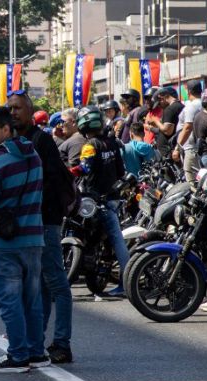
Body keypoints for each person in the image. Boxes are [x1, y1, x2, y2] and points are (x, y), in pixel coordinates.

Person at [0, 106, 47, 373]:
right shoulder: (34, 156)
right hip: (34, 238)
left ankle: (18, 356)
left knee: (10, 302)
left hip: (4, 244)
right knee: (32, 300)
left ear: (7, 129)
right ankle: (37, 351)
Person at [11, 92, 75, 364]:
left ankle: (61, 342)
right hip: (30, 222)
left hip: (45, 220)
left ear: (29, 110)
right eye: (9, 108)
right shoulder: (18, 140)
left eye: (18, 108)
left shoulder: (42, 140)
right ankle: (37, 339)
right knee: (42, 285)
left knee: (56, 283)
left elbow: (48, 183)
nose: (13, 112)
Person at [73, 106, 129, 297]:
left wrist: (66, 172)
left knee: (116, 239)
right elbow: (121, 172)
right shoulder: (112, 143)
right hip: (113, 198)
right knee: (113, 238)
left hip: (96, 200)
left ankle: (127, 281)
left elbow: (84, 169)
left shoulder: (90, 145)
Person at [176, 80, 205, 182]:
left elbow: (188, 127)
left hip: (191, 149)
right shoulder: (203, 104)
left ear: (189, 91)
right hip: (199, 148)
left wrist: (177, 147)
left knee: (192, 182)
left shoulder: (192, 106)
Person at [144, 86, 183, 158]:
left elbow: (167, 131)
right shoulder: (180, 106)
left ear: (162, 99)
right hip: (171, 149)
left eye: (159, 103)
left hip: (169, 151)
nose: (160, 106)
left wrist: (156, 121)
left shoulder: (169, 109)